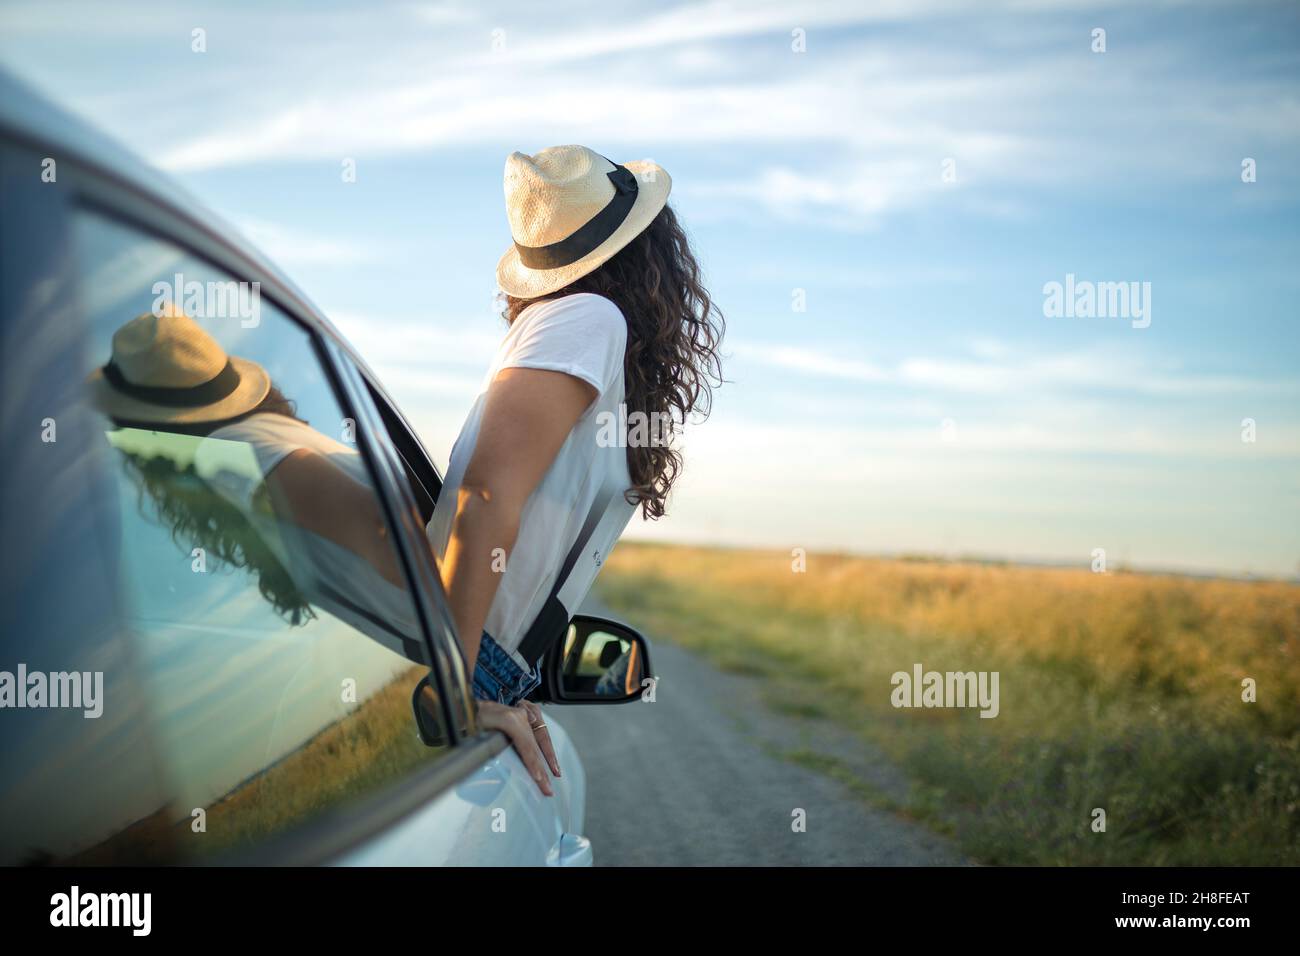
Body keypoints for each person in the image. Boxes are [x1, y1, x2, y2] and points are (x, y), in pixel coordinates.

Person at [426, 145, 724, 795]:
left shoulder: (574, 328)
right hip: (465, 662)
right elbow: (486, 492)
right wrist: (458, 683)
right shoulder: (589, 319)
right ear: (650, 251)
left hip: (485, 662)